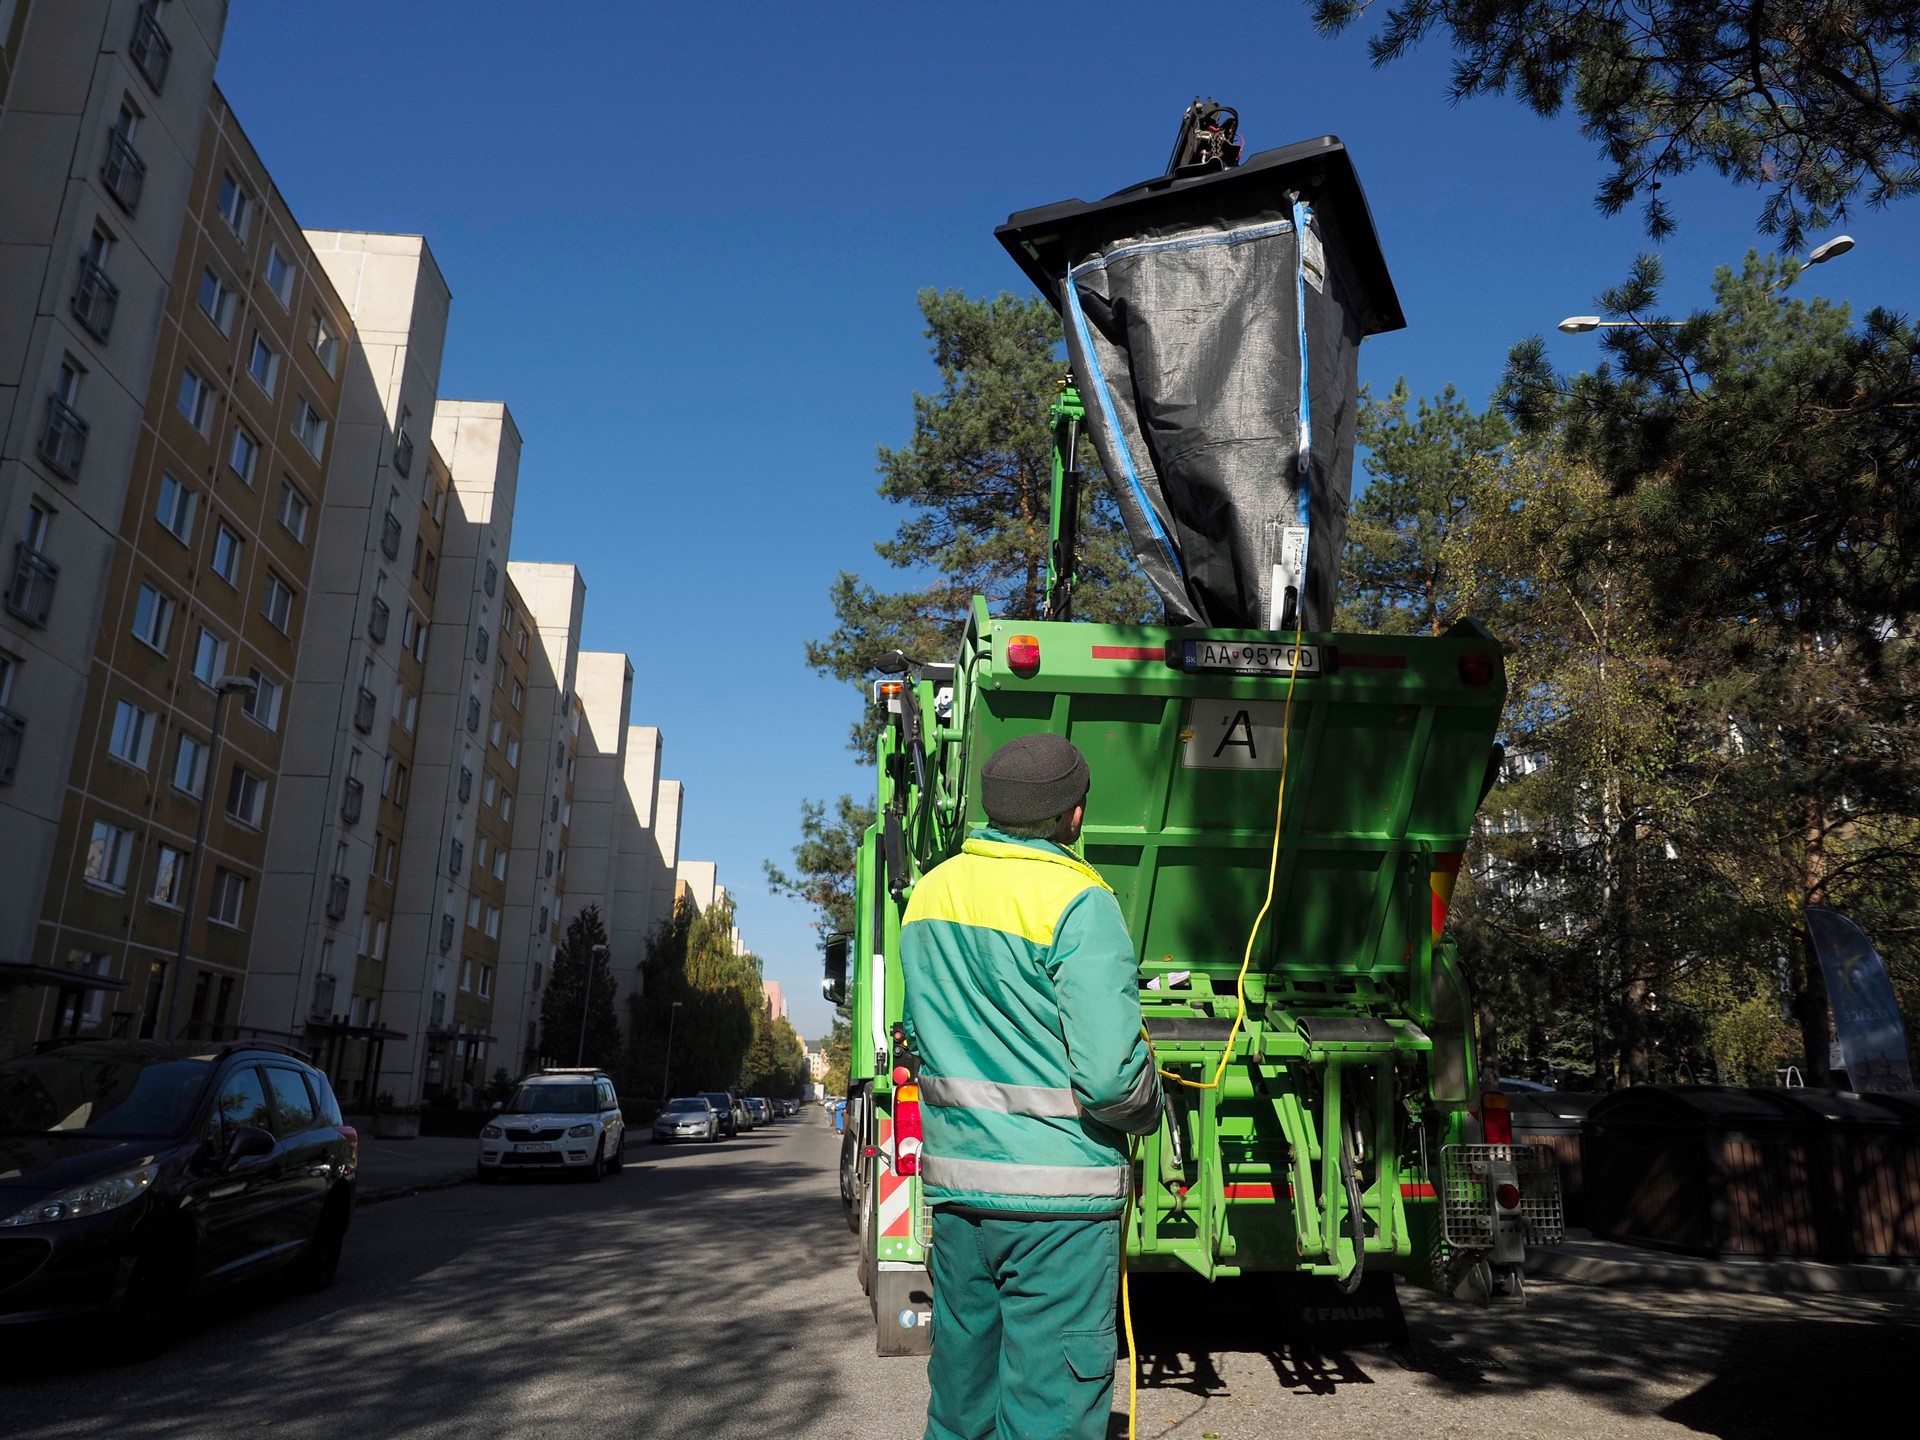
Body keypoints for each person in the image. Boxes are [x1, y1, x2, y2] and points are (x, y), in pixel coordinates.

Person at [901, 732, 1163, 1440]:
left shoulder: (930, 893)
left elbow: (920, 1032)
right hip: (1059, 1209)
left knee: (963, 1401)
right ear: (1072, 815)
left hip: (958, 1198)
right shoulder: (1080, 900)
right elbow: (1110, 1078)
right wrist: (1151, 1106)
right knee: (1048, 1409)